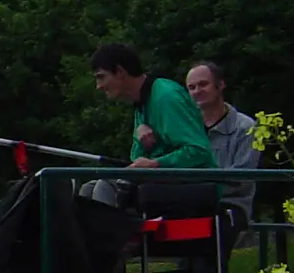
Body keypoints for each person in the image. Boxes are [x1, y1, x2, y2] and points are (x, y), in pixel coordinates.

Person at [174, 60, 262, 273]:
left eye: (202, 85)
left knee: (211, 228)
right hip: (190, 204)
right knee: (177, 225)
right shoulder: (184, 129)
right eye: (191, 87)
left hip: (230, 205)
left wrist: (202, 187)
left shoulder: (246, 128)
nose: (196, 91)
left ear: (220, 85)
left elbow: (241, 179)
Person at [81, 43, 217, 210]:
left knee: (106, 186)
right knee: (88, 190)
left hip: (196, 184)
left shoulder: (166, 97)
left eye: (101, 77)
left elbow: (199, 152)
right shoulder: (141, 103)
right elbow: (136, 159)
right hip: (168, 182)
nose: (99, 86)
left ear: (120, 72)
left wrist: (155, 164)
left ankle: (112, 236)